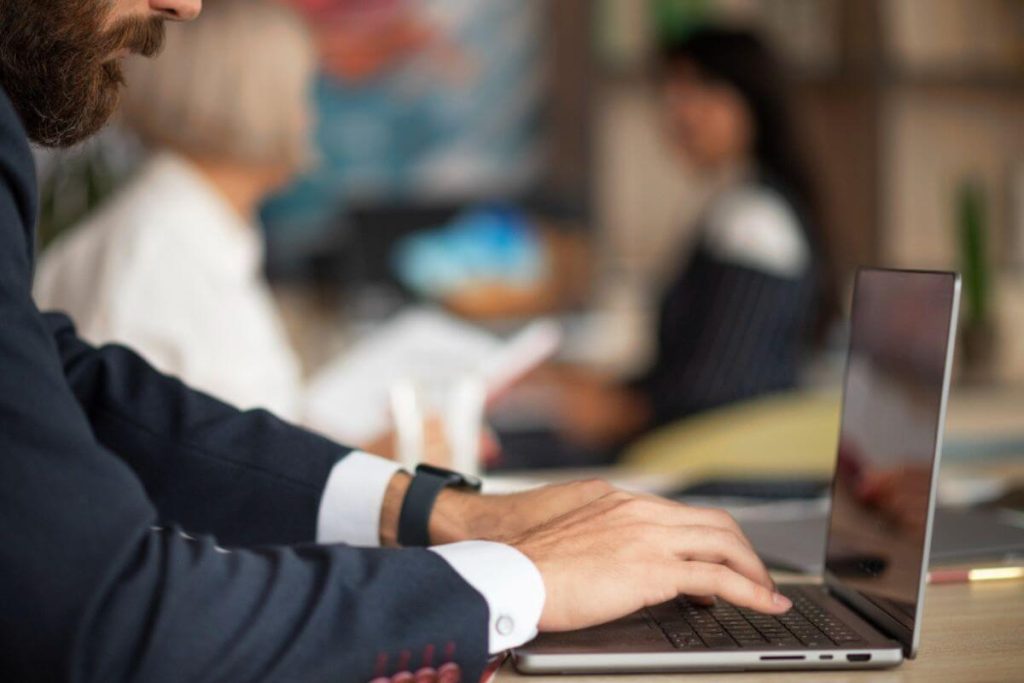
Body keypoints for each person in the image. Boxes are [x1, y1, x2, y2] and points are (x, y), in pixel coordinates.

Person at [0, 3, 789, 683]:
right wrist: (515, 576)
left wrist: (439, 513)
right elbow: (104, 612)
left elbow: (80, 387)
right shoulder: (150, 247)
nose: (183, 6)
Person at [552, 27, 839, 457]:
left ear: (751, 98)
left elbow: (720, 387)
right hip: (697, 446)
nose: (679, 110)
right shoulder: (734, 205)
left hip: (721, 460)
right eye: (671, 91)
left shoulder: (755, 222)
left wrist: (615, 410)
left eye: (700, 89)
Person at [34, 0, 315, 421]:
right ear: (255, 106)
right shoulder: (158, 256)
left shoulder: (194, 226)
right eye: (301, 94)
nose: (309, 120)